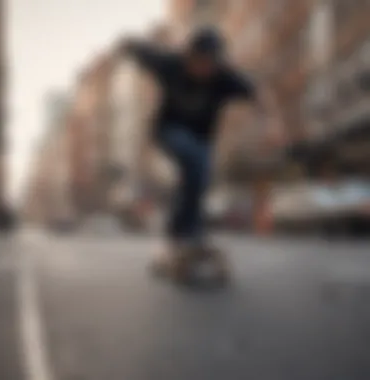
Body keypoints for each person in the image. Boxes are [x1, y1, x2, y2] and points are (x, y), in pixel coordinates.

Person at [114, 27, 283, 273]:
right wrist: (127, 44)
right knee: (192, 158)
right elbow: (139, 50)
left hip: (202, 139)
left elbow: (259, 93)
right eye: (197, 62)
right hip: (168, 130)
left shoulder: (225, 77)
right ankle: (186, 233)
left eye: (209, 64)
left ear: (217, 62)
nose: (202, 69)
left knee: (200, 177)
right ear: (188, 56)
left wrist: (273, 124)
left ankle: (181, 234)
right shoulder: (170, 64)